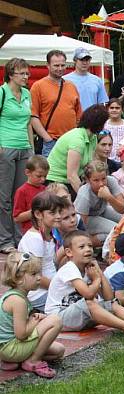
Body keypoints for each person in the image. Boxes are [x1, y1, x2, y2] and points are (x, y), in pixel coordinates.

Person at [44, 230, 124, 336]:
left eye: (90, 246)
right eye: (82, 247)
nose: (88, 249)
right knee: (90, 303)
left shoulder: (89, 268)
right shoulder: (69, 268)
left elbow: (109, 298)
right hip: (58, 318)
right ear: (69, 252)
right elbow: (88, 294)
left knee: (112, 304)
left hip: (79, 316)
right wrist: (96, 279)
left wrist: (100, 273)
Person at [0, 251, 65, 378]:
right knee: (55, 320)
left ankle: (15, 361)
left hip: (8, 349)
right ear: (18, 278)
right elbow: (21, 334)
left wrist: (32, 319)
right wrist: (35, 322)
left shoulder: (16, 296)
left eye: (39, 273)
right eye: (34, 274)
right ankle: (33, 361)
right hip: (11, 348)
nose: (39, 277)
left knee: (59, 350)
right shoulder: (18, 301)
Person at [0, 58, 34, 253]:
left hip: (24, 147)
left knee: (20, 196)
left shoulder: (27, 93)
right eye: (22, 73)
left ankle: (19, 238)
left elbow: (29, 121)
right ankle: (5, 240)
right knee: (4, 197)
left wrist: (31, 148)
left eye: (27, 73)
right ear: (11, 74)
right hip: (6, 147)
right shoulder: (2, 92)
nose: (26, 77)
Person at [17, 191, 69, 310]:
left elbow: (51, 264)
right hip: (38, 294)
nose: (58, 216)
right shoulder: (35, 239)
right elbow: (36, 277)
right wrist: (60, 288)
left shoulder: (50, 234)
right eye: (52, 213)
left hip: (51, 288)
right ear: (38, 214)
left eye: (59, 212)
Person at [46, 104, 109, 193]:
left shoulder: (93, 137)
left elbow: (90, 166)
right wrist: (86, 197)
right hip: (56, 182)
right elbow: (71, 176)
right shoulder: (77, 140)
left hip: (70, 181)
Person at [30, 50, 82, 157]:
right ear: (48, 66)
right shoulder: (38, 86)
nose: (60, 68)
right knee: (49, 172)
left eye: (63, 65)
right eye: (56, 65)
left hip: (71, 140)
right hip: (51, 141)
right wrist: (47, 138)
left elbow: (79, 115)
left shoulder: (71, 86)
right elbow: (33, 116)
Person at [74, 160, 124, 243]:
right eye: (96, 180)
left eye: (103, 179)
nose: (101, 183)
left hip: (102, 211)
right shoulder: (84, 194)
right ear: (88, 180)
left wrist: (109, 197)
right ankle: (93, 243)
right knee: (117, 231)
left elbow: (123, 209)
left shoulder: (111, 181)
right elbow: (80, 223)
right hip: (88, 219)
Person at [12, 155, 49, 234]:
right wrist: (36, 211)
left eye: (45, 176)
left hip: (46, 231)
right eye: (39, 176)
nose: (43, 179)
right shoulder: (21, 191)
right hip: (31, 232)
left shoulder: (45, 189)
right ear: (27, 172)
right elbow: (17, 218)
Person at [103, 98, 124, 164]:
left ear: (122, 110)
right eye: (112, 108)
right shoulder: (104, 124)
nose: (114, 110)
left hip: (123, 158)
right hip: (107, 157)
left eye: (117, 108)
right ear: (107, 109)